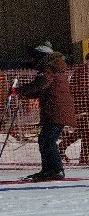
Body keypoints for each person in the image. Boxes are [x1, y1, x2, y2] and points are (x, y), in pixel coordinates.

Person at [15, 46, 76, 181]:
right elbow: (45, 90)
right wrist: (25, 95)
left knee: (48, 140)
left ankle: (56, 170)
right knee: (45, 140)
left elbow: (40, 84)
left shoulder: (49, 69)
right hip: (56, 109)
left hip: (56, 110)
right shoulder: (55, 67)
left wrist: (20, 90)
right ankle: (49, 169)